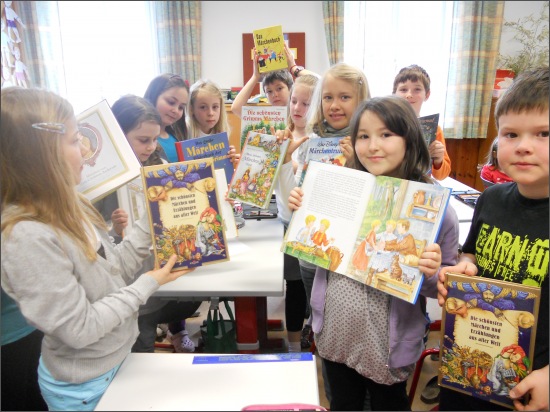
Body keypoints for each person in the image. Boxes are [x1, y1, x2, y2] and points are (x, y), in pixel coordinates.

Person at [0, 86, 193, 411]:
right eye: (76, 141)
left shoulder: (71, 204)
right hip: (85, 386)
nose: (87, 153)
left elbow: (114, 270)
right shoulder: (26, 236)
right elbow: (79, 328)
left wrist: (154, 214)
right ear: (42, 152)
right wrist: (148, 283)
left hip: (114, 360)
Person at [288, 95, 460, 411]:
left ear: (410, 139)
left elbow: (444, 288)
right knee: (342, 401)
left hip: (386, 343)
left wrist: (432, 271)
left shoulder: (438, 209)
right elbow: (315, 245)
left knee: (388, 403)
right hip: (337, 329)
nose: (372, 146)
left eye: (386, 134)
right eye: (363, 136)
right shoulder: (341, 187)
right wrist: (303, 209)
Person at [437, 67, 549, 411]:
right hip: (471, 366)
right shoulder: (491, 198)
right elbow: (471, 254)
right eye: (511, 134)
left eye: (544, 133)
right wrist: (462, 269)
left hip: (532, 383)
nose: (524, 146)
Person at [276, 64, 370, 352]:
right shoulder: (312, 141)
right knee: (317, 309)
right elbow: (295, 194)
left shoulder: (369, 142)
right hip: (310, 252)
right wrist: (289, 178)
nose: (334, 105)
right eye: (328, 97)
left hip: (347, 256)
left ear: (361, 99)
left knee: (345, 315)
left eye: (345, 97)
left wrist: (355, 162)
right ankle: (321, 349)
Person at [106, 94, 202, 353]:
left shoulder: (159, 167)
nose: (150, 146)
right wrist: (113, 228)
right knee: (136, 344)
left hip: (154, 276)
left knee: (145, 334)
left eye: (155, 139)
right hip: (123, 284)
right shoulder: (105, 181)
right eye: (143, 140)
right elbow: (95, 237)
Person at [231, 49, 307, 354]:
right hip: (276, 210)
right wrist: (255, 76)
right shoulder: (266, 121)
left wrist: (294, 67)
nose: (275, 95)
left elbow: (312, 89)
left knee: (300, 283)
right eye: (270, 90)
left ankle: (298, 338)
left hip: (299, 212)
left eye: (281, 89)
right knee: (283, 276)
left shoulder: (304, 124)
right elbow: (237, 107)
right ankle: (289, 338)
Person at [392, 64, 451, 181]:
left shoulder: (434, 129)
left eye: (417, 89)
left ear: (427, 95)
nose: (409, 95)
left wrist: (438, 159)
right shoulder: (385, 125)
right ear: (394, 94)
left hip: (420, 185)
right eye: (403, 90)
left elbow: (442, 176)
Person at [144, 73, 189, 162]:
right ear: (154, 95)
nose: (176, 110)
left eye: (181, 107)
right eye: (171, 102)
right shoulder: (142, 140)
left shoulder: (178, 136)